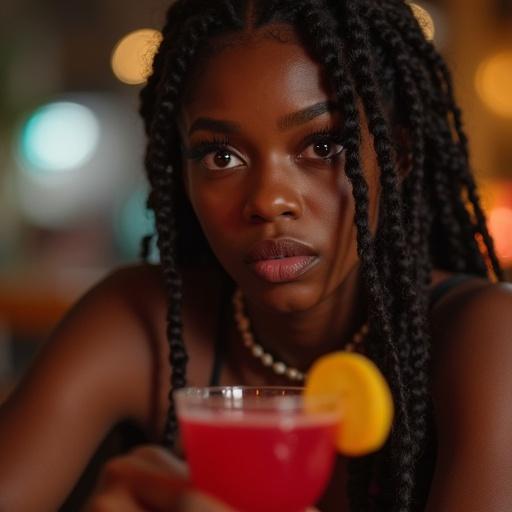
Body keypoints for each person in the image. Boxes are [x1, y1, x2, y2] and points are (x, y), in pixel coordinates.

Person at [1, 0, 512, 510]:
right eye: (221, 156)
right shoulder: (137, 322)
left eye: (324, 146)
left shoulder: (486, 338)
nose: (269, 200)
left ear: (395, 157)